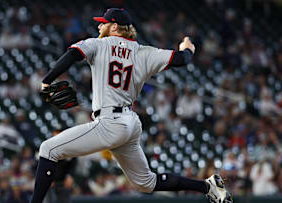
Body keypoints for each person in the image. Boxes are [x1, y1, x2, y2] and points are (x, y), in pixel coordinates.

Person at [30, 8, 232, 203]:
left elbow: (72, 54)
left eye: (103, 24)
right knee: (146, 183)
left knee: (48, 149)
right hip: (130, 123)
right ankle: (208, 187)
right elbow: (182, 60)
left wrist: (47, 80)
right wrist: (187, 48)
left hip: (110, 122)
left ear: (115, 27)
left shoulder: (99, 44)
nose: (99, 28)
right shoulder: (144, 52)